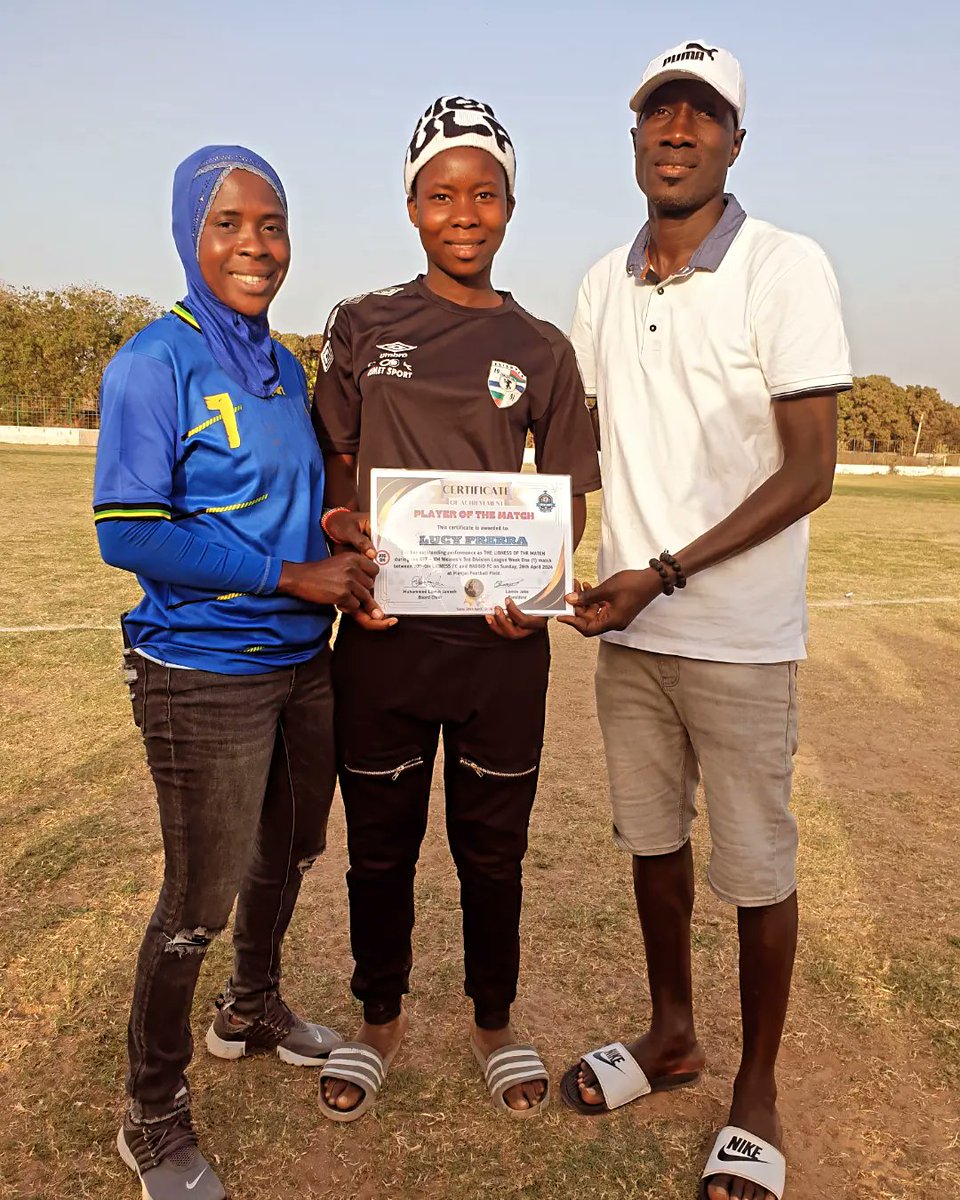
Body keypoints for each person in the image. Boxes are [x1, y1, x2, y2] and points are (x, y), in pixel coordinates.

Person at [558, 42, 852, 1200]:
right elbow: (573, 448)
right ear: (633, 136)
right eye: (657, 112)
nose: (676, 131)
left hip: (735, 634)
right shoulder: (599, 282)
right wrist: (525, 558)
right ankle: (671, 1036)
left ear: (736, 140)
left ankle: (756, 1090)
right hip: (628, 636)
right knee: (652, 847)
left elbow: (810, 469)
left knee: (756, 868)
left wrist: (662, 570)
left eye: (702, 114)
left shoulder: (786, 267)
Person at [94, 145, 379, 1200]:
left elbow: (288, 499)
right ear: (189, 233)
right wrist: (290, 572)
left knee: (293, 848)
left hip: (304, 665)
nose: (256, 244)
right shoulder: (151, 364)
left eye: (272, 223)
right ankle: (152, 1112)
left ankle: (250, 1006)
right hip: (200, 672)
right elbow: (128, 530)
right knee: (195, 898)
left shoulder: (283, 361)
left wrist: (334, 528)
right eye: (229, 223)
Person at [312, 96, 601, 1121]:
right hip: (385, 640)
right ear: (412, 205)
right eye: (443, 193)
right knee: (379, 842)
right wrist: (347, 531)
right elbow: (334, 460)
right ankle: (377, 1014)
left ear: (511, 207)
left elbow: (561, 493)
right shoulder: (362, 324)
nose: (463, 211)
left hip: (499, 651)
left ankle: (494, 1018)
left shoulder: (544, 347)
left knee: (493, 847)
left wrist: (540, 585)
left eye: (485, 193)